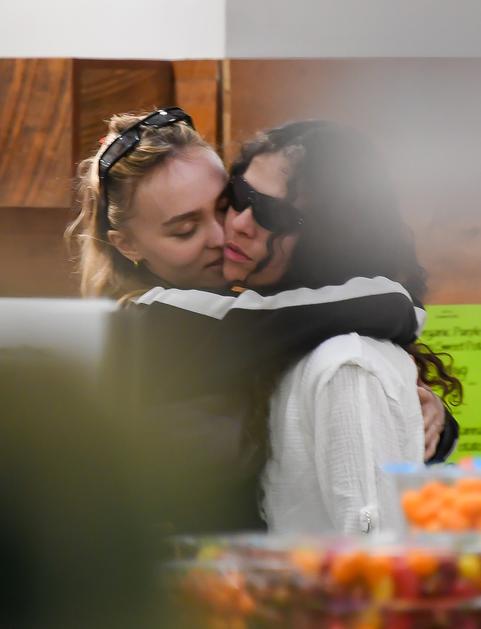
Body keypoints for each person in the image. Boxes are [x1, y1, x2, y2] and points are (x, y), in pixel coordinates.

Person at [68, 108, 458, 531]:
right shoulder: (149, 323)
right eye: (184, 230)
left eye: (228, 204)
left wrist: (427, 423)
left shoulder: (256, 314)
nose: (223, 235)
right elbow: (298, 318)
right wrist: (396, 302)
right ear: (126, 245)